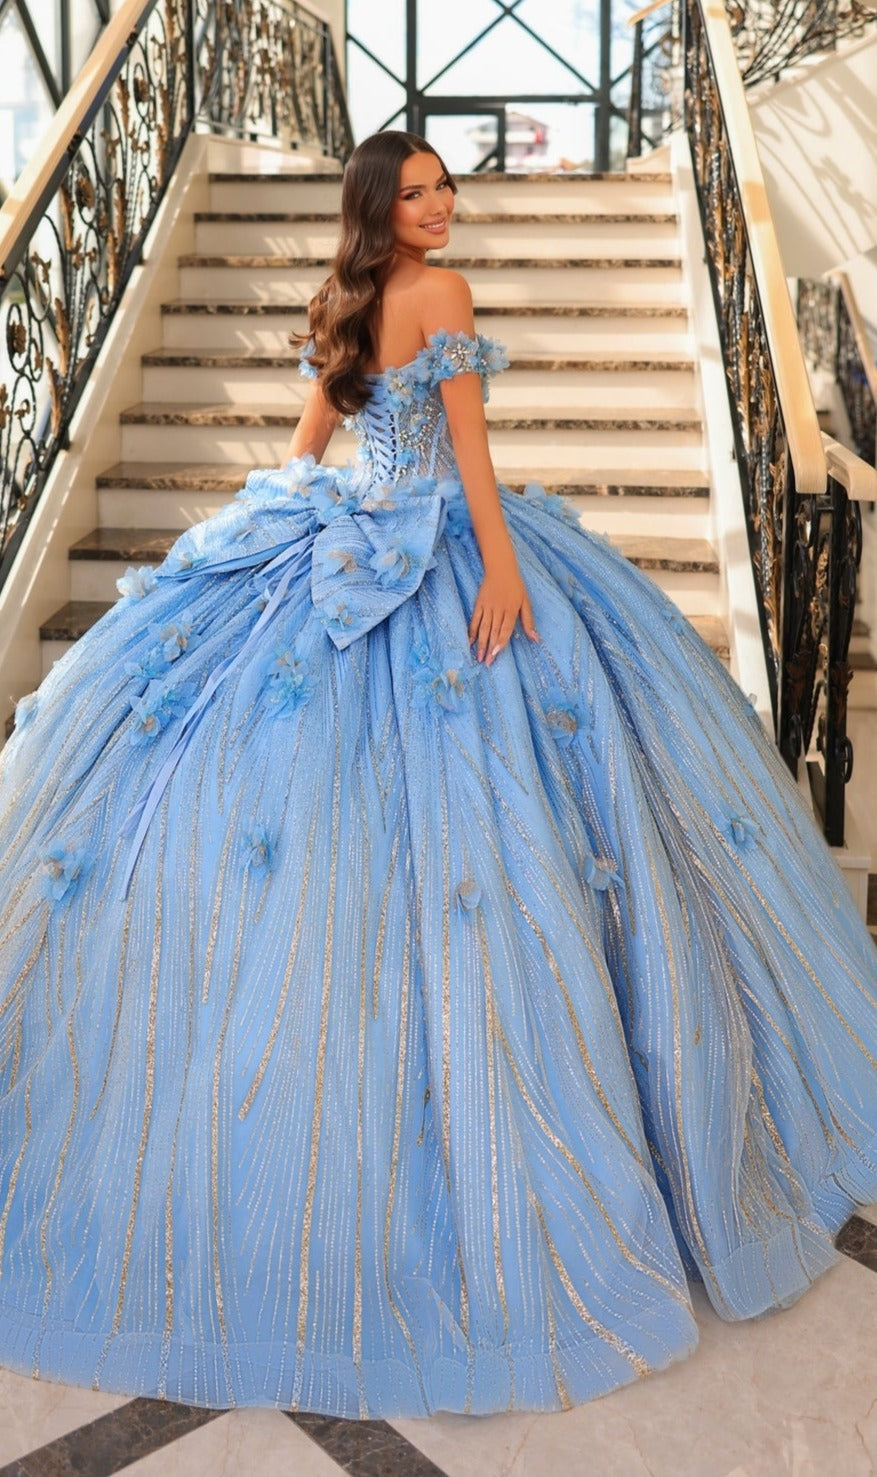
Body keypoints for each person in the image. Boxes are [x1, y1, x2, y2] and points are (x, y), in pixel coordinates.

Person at [0, 128, 875, 1420]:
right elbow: (459, 456)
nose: (438, 207)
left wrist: (259, 533)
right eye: (413, 194)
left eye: (441, 187)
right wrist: (503, 568)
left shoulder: (350, 297)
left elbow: (311, 449)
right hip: (439, 546)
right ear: (378, 208)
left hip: (357, 537)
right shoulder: (437, 296)